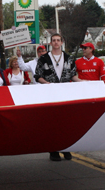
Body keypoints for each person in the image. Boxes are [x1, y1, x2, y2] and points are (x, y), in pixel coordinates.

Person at [35, 33, 83, 161]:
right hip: (50, 95)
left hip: (66, 94)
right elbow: (38, 76)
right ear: (50, 43)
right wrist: (47, 84)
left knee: (67, 123)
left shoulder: (69, 58)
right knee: (52, 123)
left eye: (58, 40)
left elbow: (73, 75)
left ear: (62, 42)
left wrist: (83, 83)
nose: (56, 42)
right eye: (54, 40)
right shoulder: (43, 59)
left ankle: (66, 148)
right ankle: (53, 150)